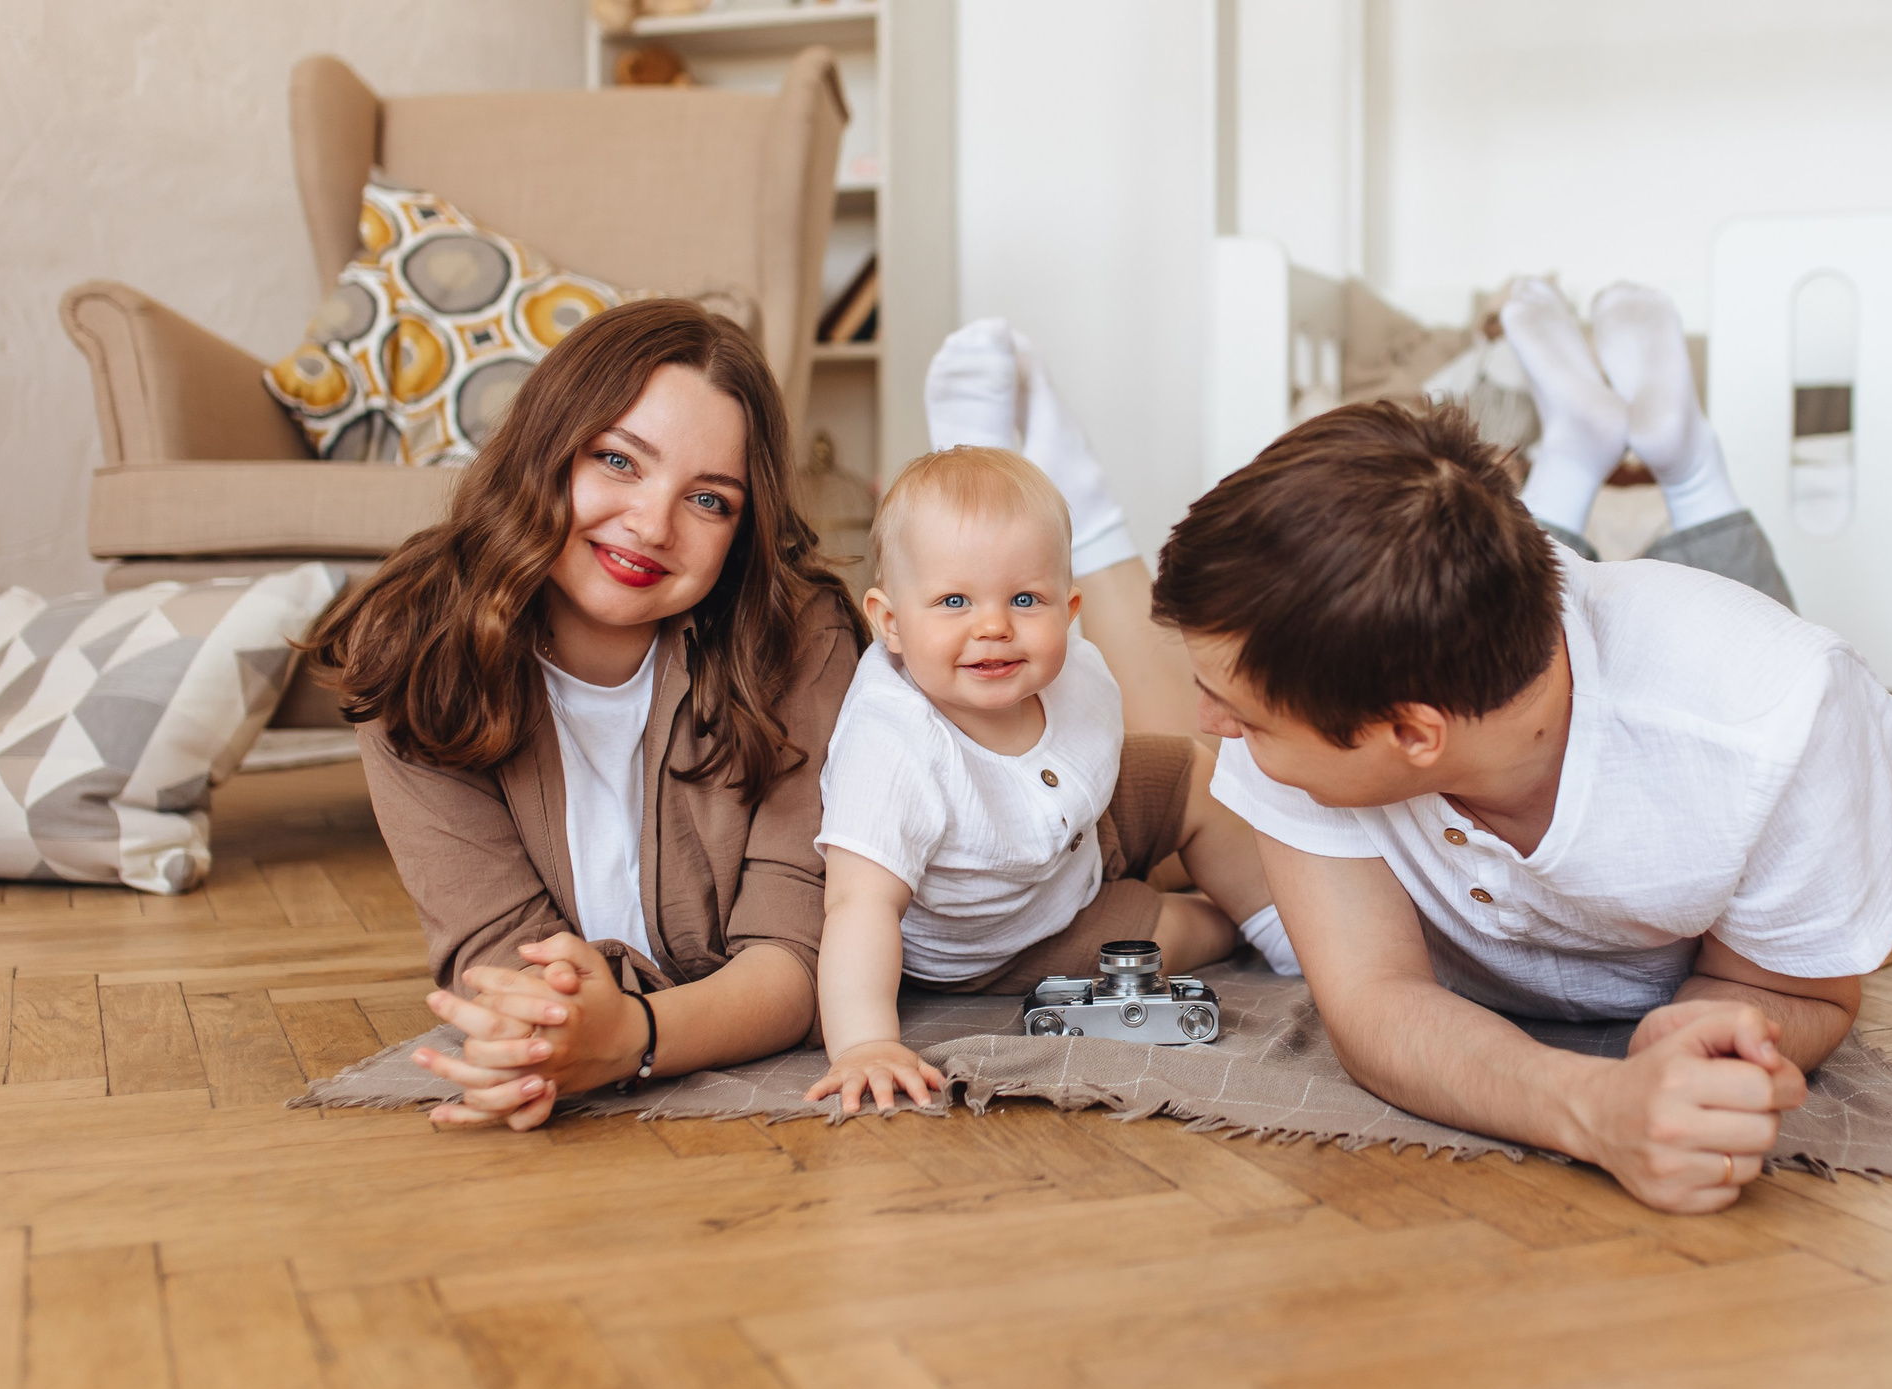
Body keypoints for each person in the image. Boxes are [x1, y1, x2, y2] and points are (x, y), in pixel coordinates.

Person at [1147, 283, 1892, 1215]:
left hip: (1668, 680)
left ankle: (1681, 460)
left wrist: (1707, 1043)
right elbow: (1374, 997)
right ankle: (1579, 448)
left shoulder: (1776, 725)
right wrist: (1589, 1106)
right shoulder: (1320, 698)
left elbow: (1808, 995)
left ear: (1409, 734)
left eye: (1244, 714)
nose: (1208, 727)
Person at [307, 299, 868, 1130]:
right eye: (618, 460)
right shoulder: (415, 649)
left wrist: (632, 1037)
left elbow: (795, 958)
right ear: (548, 448)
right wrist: (540, 1039)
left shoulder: (798, 636)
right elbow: (496, 954)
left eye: (710, 500)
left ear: (742, 532)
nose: (652, 524)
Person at [801, 445, 1289, 1116]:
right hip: (1013, 929)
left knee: (1190, 770)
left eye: (1026, 598)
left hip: (1077, 830)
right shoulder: (891, 746)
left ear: (1070, 607)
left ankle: (1283, 920)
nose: (994, 625)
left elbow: (1133, 759)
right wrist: (864, 1042)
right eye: (953, 601)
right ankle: (1228, 922)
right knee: (1160, 933)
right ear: (890, 622)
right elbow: (859, 906)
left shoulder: (1067, 671)